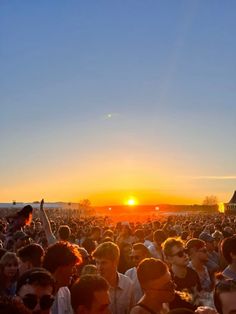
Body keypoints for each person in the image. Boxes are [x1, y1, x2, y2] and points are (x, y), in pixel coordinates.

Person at [92, 241, 135, 314]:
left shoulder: (128, 284)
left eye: (103, 263)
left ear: (115, 262)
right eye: (97, 262)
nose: (99, 267)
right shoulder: (92, 286)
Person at [43, 241, 82, 314]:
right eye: (72, 266)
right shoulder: (38, 294)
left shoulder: (65, 291)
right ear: (60, 267)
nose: (74, 272)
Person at [163, 237, 201, 305]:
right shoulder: (168, 281)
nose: (185, 255)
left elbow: (200, 296)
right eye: (180, 254)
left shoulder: (193, 273)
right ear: (170, 259)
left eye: (185, 251)